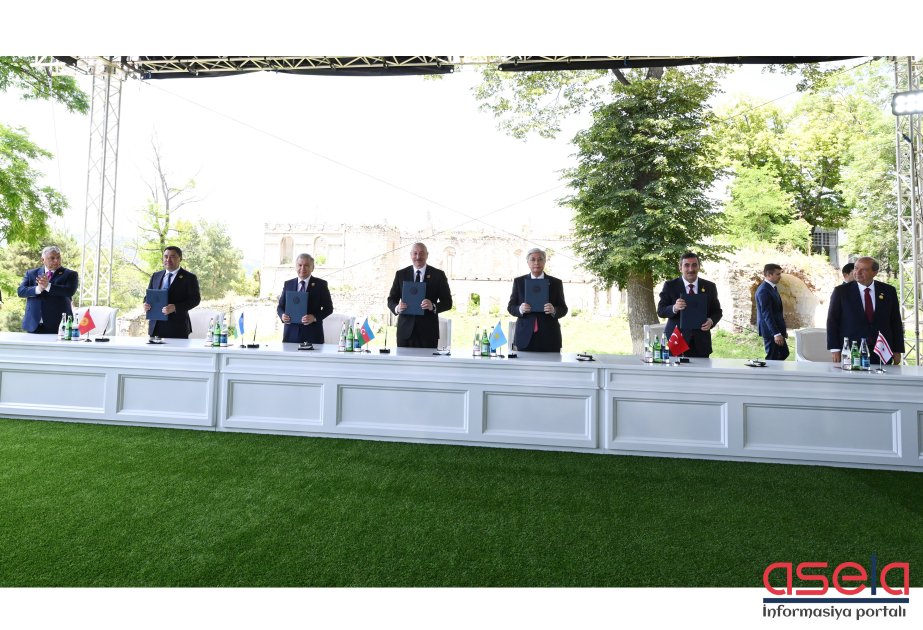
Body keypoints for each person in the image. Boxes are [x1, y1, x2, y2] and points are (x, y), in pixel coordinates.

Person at [826, 256, 903, 365]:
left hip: (882, 350)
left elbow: (895, 321)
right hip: (852, 349)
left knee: (883, 376)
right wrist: (835, 349)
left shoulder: (888, 291)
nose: (858, 272)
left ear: (874, 272)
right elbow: (832, 321)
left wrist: (897, 349)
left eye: (864, 270)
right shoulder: (841, 292)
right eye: (856, 268)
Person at [656, 251, 723, 358]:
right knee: (674, 369)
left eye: (694, 265)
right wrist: (674, 307)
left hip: (701, 342)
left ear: (699, 267)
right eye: (686, 265)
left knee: (700, 369)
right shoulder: (670, 286)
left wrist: (711, 321)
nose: (691, 269)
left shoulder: (709, 286)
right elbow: (661, 311)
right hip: (676, 340)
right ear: (680, 268)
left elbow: (717, 311)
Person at [387, 242, 453, 348]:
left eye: (421, 253)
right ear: (411, 255)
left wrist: (433, 306)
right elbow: (391, 299)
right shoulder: (401, 274)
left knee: (427, 360)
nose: (418, 257)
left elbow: (448, 303)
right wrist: (397, 308)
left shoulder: (438, 275)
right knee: (403, 359)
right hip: (405, 333)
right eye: (415, 253)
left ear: (427, 255)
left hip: (428, 333)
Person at [507, 248, 568, 352]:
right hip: (524, 337)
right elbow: (511, 307)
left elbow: (563, 309)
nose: (536, 263)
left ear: (545, 261)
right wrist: (520, 309)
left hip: (550, 337)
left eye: (540, 259)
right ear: (527, 262)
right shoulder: (519, 282)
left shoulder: (556, 283)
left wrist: (554, 310)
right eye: (533, 259)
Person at [17, 245, 78, 333]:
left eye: (58, 257)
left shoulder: (70, 274)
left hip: (58, 325)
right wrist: (38, 289)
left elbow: (69, 291)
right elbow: (21, 291)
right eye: (52, 258)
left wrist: (48, 286)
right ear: (43, 260)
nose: (56, 260)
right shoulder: (31, 273)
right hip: (33, 325)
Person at [143, 246, 201, 339]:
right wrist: (145, 304)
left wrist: (175, 307)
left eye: (172, 256)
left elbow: (195, 300)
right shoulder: (156, 276)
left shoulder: (189, 278)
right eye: (166, 256)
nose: (168, 259)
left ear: (180, 259)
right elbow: (148, 296)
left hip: (177, 328)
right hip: (155, 327)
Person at [276, 253, 333, 344]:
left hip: (313, 335)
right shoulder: (288, 284)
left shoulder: (321, 285)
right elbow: (280, 307)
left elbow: (329, 308)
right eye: (300, 265)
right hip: (290, 335)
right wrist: (282, 315)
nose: (302, 268)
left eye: (306, 265)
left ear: (312, 268)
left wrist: (314, 318)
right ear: (296, 267)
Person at [755, 263, 789, 361]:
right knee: (772, 358)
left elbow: (777, 312)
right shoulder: (764, 290)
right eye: (778, 274)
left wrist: (782, 331)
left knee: (783, 353)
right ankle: (769, 371)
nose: (780, 276)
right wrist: (776, 333)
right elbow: (767, 315)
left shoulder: (772, 287)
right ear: (769, 275)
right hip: (770, 331)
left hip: (777, 329)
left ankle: (777, 371)